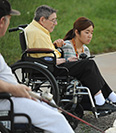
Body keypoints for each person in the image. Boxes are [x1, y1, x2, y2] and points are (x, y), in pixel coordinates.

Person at [25, 6, 116, 112]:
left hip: (49, 64)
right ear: (42, 20)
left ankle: (111, 98)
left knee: (89, 64)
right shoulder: (37, 33)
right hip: (51, 68)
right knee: (88, 64)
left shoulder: (38, 30)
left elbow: (45, 55)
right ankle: (102, 101)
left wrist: (56, 48)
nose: (56, 23)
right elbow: (47, 59)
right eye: (53, 20)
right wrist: (66, 60)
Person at [0, 0, 74, 132]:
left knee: (53, 109)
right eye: (9, 19)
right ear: (2, 22)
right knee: (57, 120)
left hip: (11, 96)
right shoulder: (36, 32)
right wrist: (14, 89)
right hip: (6, 101)